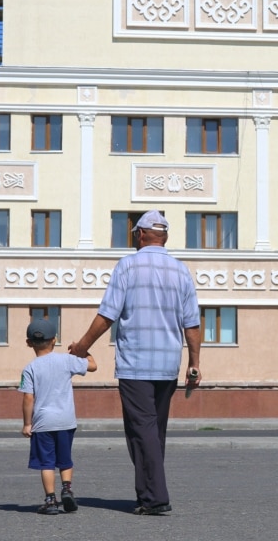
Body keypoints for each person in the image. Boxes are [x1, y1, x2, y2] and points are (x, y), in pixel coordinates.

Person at [69, 209, 201, 516]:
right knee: (154, 432)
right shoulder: (181, 270)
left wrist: (82, 347)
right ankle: (147, 494)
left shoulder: (127, 266)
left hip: (136, 363)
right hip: (168, 364)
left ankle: (156, 498)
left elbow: (108, 315)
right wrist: (194, 364)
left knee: (141, 430)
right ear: (164, 237)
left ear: (140, 235)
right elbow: (192, 324)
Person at [19, 317, 98, 515]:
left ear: (29, 343)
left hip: (43, 423)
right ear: (54, 340)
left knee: (46, 463)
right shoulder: (67, 360)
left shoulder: (29, 369)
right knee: (65, 459)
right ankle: (67, 489)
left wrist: (27, 424)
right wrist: (81, 349)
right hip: (66, 420)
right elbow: (93, 365)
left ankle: (50, 500)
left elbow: (28, 398)